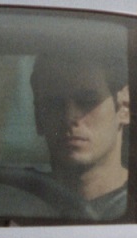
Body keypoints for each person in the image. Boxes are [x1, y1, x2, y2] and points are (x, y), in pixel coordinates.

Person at [30, 52, 131, 219]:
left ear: (124, 108)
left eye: (88, 101)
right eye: (54, 104)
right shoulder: (14, 202)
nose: (69, 117)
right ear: (38, 118)